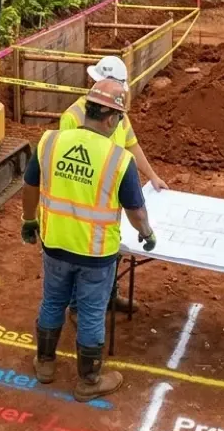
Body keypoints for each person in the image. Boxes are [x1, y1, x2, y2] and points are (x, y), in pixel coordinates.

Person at [21, 79, 156, 402]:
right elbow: (136, 211)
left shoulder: (50, 142)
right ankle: (89, 380)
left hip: (55, 244)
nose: (119, 124)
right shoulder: (118, 160)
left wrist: (29, 220)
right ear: (110, 119)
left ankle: (45, 364)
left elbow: (30, 185)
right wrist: (146, 233)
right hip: (96, 254)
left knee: (52, 301)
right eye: (120, 119)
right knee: (92, 313)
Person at [60, 55, 166, 318]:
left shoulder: (119, 115)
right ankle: (77, 306)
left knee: (112, 248)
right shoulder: (72, 117)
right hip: (85, 196)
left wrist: (152, 176)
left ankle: (109, 295)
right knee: (81, 253)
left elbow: (132, 145)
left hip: (110, 195)